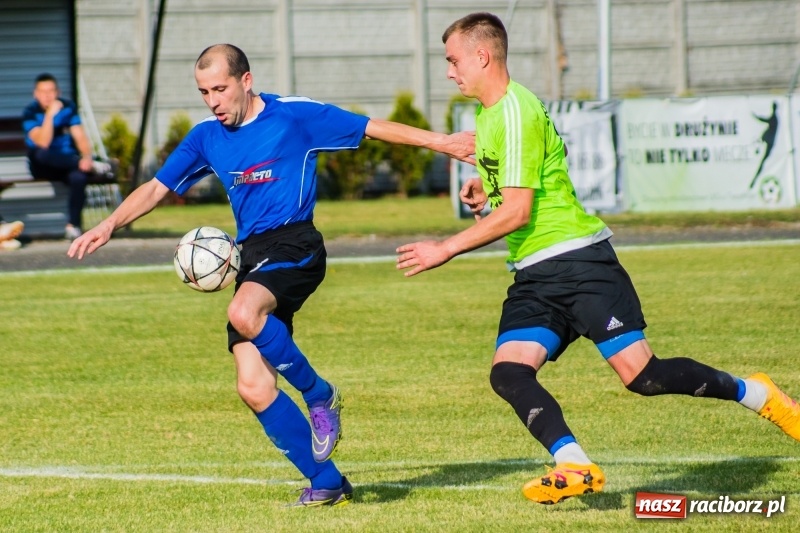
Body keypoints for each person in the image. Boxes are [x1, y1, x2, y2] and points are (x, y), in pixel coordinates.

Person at [396, 12, 800, 505]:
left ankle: (757, 394)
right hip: (534, 274)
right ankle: (574, 464)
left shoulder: (514, 111)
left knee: (644, 377)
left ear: (482, 56)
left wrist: (447, 247)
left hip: (578, 263)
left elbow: (521, 211)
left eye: (454, 60)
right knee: (508, 372)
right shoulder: (490, 112)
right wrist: (488, 191)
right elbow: (527, 184)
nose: (449, 71)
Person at [68, 44, 474, 507]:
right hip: (250, 257)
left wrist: (442, 142)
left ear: (245, 80)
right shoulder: (205, 137)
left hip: (296, 244)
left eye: (220, 88)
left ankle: (321, 396)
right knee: (253, 386)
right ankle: (327, 481)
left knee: (243, 311)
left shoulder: (294, 116)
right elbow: (156, 187)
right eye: (204, 92)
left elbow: (371, 128)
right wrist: (107, 225)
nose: (213, 101)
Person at [22, 73, 113, 241]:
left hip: (68, 165)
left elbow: (80, 137)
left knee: (78, 177)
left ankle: (73, 226)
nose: (47, 96)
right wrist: (50, 115)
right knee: (40, 153)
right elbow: (43, 142)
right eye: (43, 92)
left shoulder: (68, 108)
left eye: (51, 91)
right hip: (43, 166)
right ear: (35, 94)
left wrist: (86, 156)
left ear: (58, 92)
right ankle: (92, 165)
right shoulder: (30, 113)